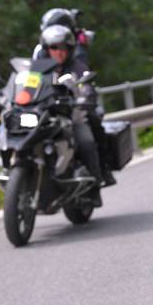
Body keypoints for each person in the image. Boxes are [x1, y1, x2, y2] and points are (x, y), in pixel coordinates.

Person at [40, 25, 105, 206]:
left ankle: (95, 186)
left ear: (70, 49)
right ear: (47, 49)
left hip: (71, 117)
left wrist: (86, 96)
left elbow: (87, 86)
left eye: (63, 47)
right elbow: (25, 87)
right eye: (54, 47)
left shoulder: (77, 66)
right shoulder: (39, 69)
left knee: (86, 142)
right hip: (44, 118)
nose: (59, 52)